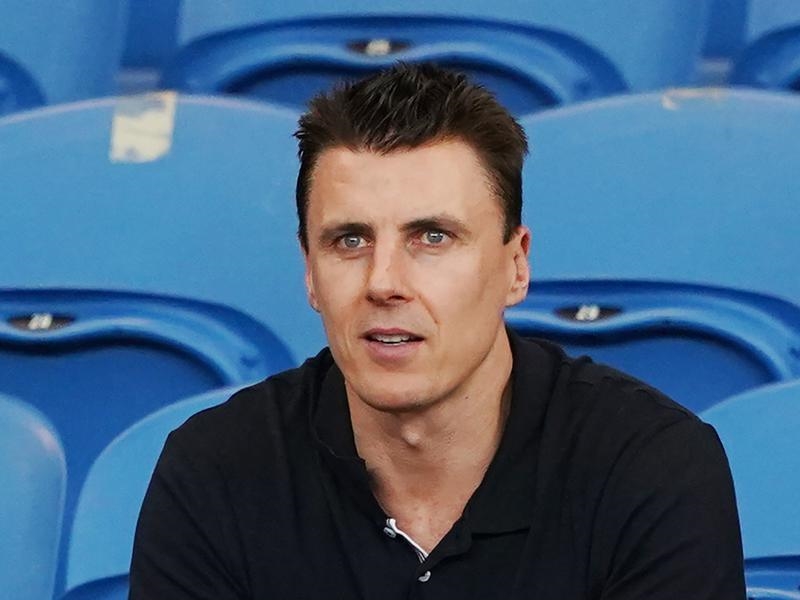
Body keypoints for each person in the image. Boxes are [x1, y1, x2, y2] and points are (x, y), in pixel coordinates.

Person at [129, 63, 745, 599]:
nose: (383, 282)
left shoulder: (651, 469)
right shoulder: (216, 472)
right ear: (310, 273)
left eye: (432, 237)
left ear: (516, 265)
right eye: (350, 240)